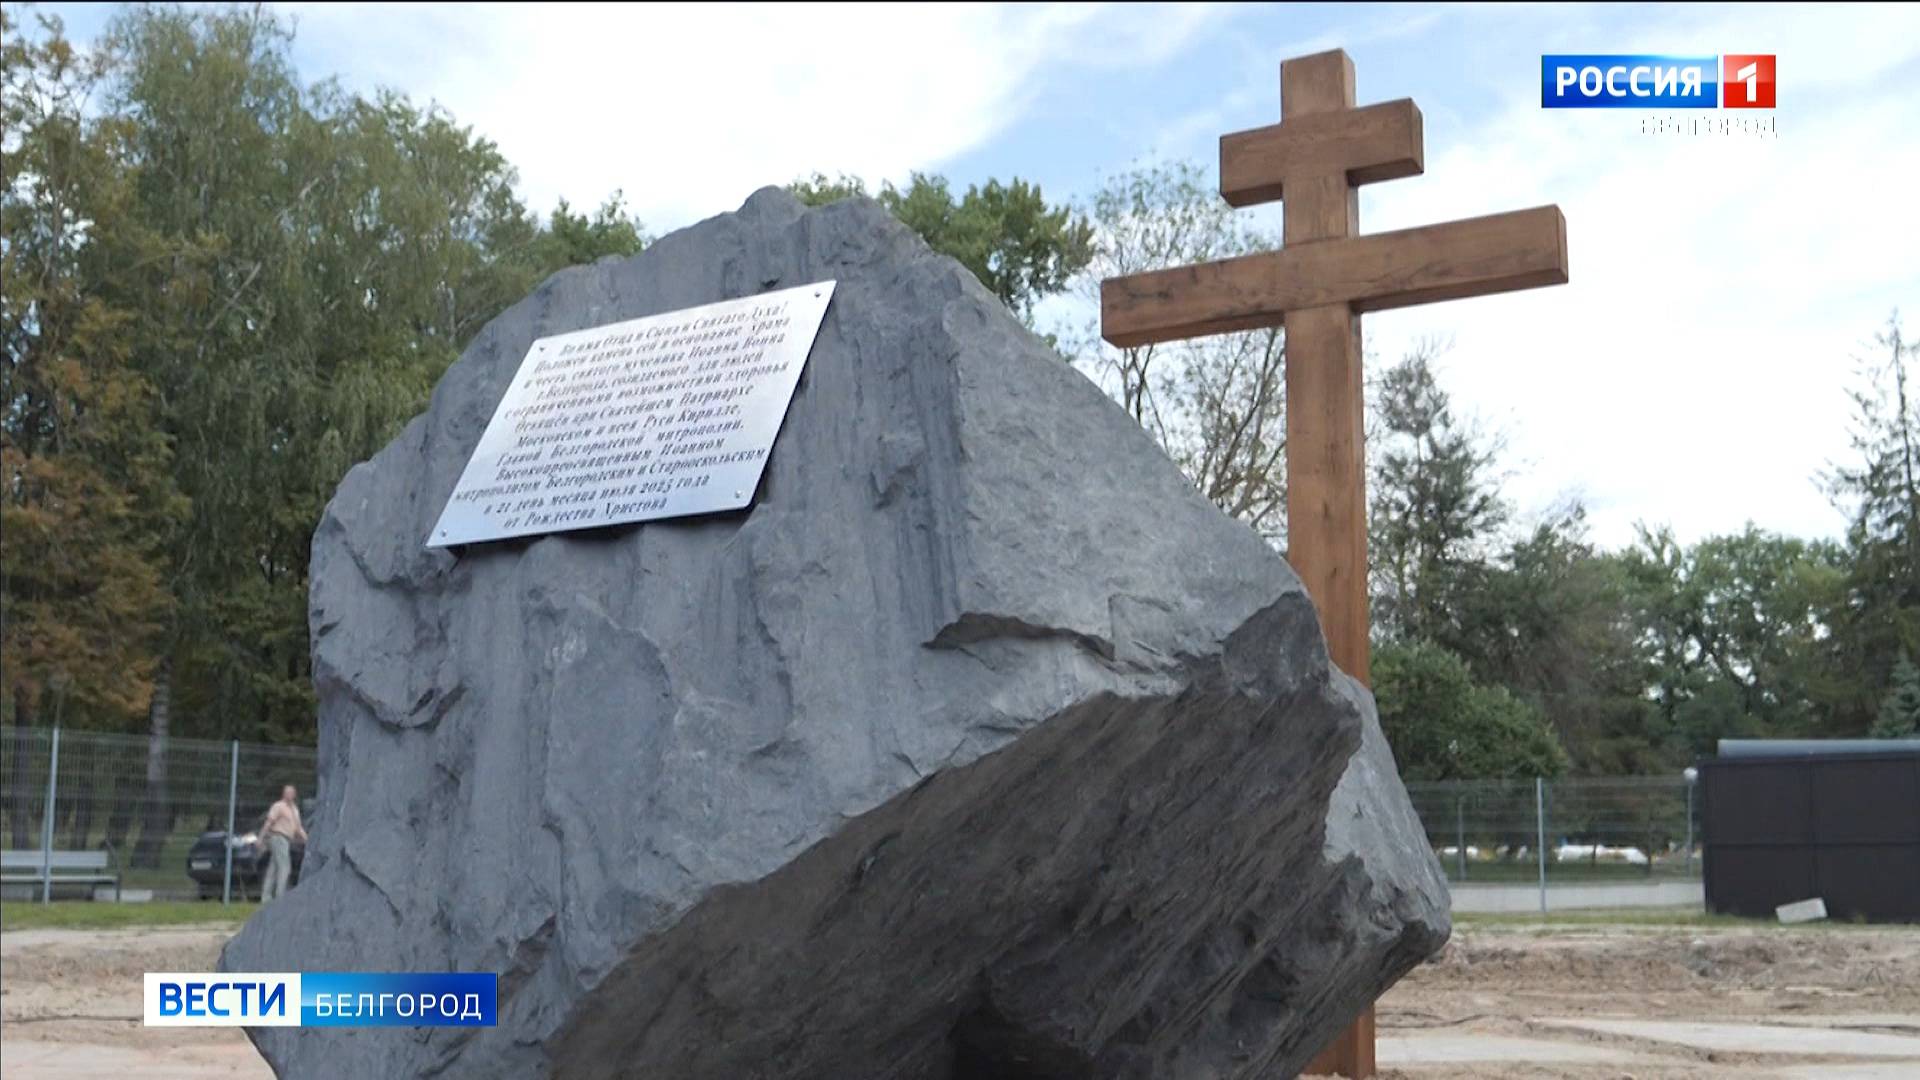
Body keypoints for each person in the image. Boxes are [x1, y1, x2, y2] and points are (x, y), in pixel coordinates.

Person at [261, 784, 307, 903]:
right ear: (283, 794)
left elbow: (298, 828)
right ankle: (280, 897)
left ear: (294, 795)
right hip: (278, 837)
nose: (289, 795)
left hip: (287, 839)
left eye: (291, 793)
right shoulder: (278, 806)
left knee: (274, 868)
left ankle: (266, 897)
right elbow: (269, 822)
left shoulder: (295, 810)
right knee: (284, 867)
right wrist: (261, 838)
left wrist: (307, 840)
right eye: (287, 792)